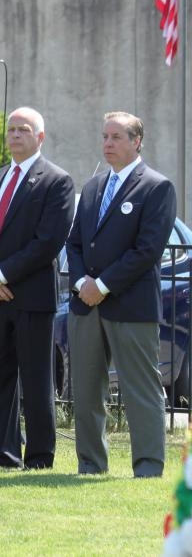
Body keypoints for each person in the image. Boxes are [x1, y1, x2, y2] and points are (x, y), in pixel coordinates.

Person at [67, 111, 176, 478]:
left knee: (141, 391)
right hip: (86, 305)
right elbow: (76, 242)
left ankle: (147, 467)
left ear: (136, 141)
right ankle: (90, 464)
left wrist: (103, 285)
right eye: (105, 137)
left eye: (116, 137)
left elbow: (147, 250)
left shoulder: (156, 187)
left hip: (130, 304)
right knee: (85, 390)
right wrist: (83, 282)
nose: (108, 144)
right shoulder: (95, 185)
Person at [0, 107, 74, 469]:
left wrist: (3, 275)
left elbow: (48, 241)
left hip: (31, 297)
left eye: (23, 129)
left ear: (39, 137)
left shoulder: (56, 181)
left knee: (37, 378)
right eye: (10, 129)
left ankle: (40, 456)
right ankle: (4, 453)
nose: (14, 135)